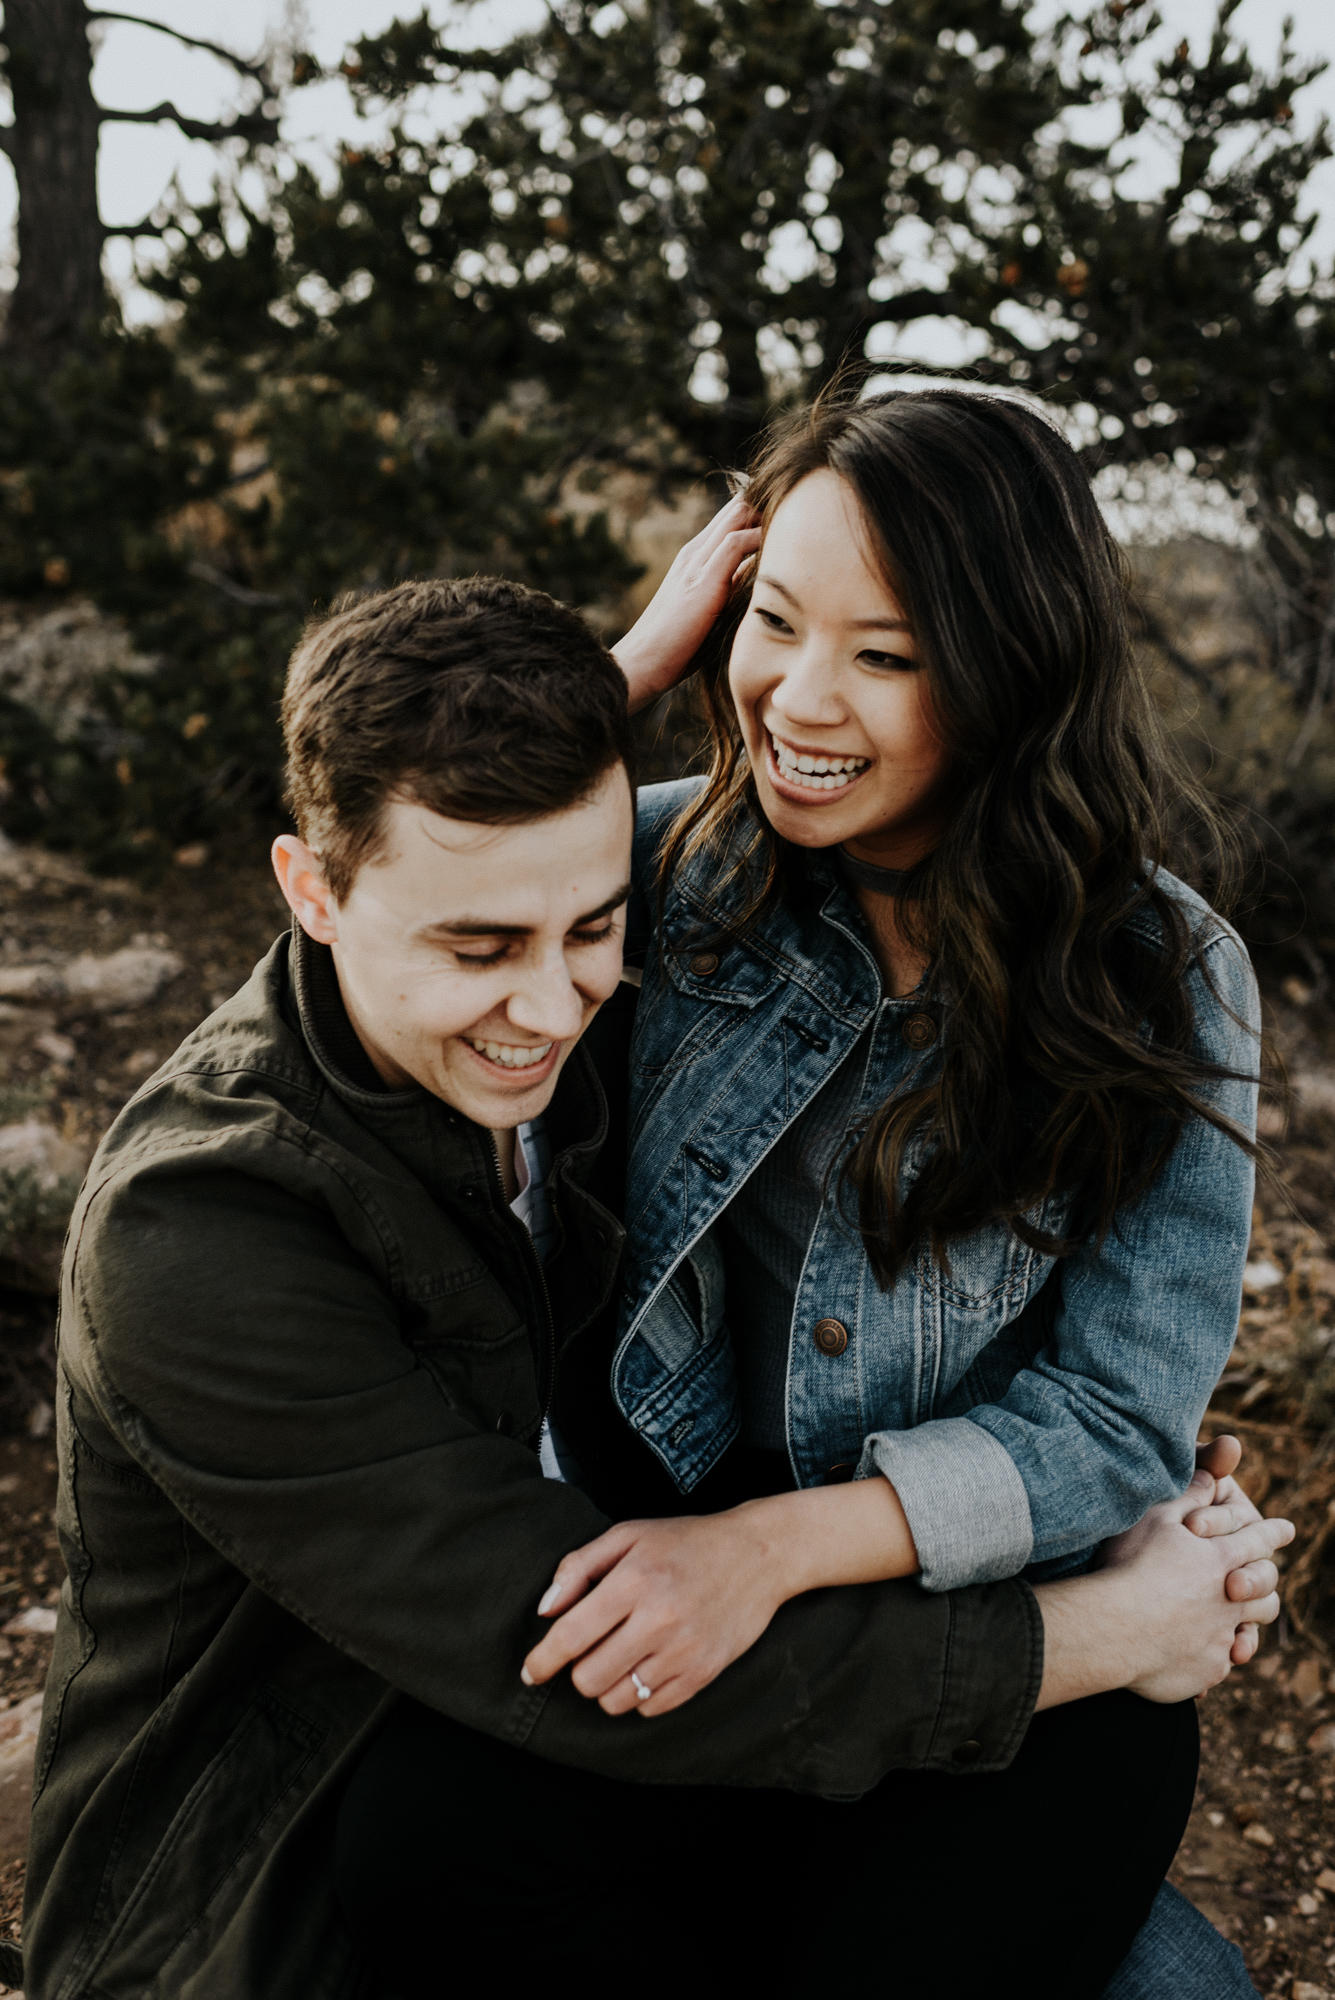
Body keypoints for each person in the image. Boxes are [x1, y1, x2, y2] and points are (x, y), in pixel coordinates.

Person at [11, 573, 1285, 2000]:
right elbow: (566, 1644)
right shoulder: (201, 1236)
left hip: (622, 1755)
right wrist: (1114, 1630)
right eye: (477, 948)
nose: (551, 1006)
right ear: (311, 889)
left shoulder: (592, 973)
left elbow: (503, 818)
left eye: (591, 930)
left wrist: (600, 689)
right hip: (297, 1858)